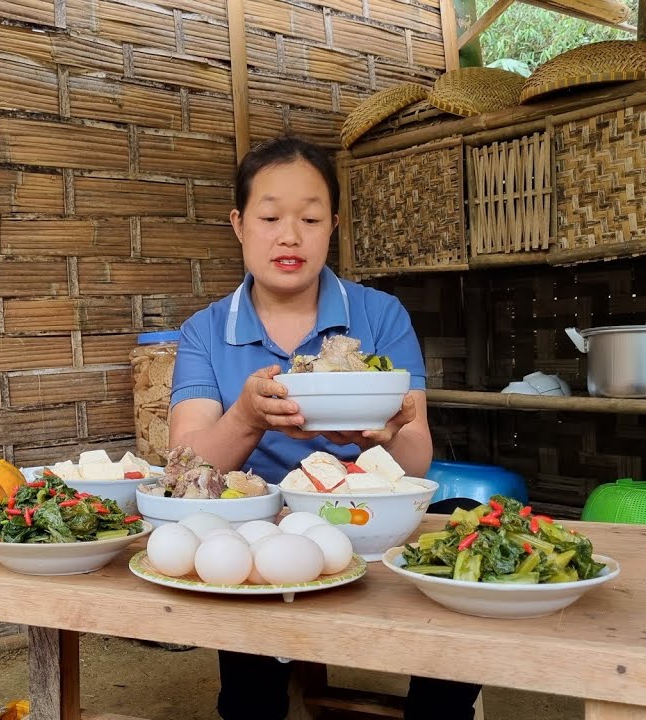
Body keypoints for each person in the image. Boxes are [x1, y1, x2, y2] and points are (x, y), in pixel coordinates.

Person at [167, 135, 483, 720]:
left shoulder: (380, 315)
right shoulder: (204, 332)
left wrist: (379, 438)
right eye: (269, 217)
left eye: (310, 218)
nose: (290, 235)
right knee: (245, 665)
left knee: (466, 527)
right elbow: (186, 465)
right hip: (260, 525)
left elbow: (415, 458)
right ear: (239, 225)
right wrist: (246, 416)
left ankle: (437, 708)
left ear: (332, 225)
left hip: (367, 513)